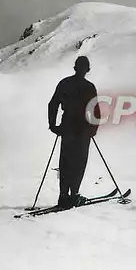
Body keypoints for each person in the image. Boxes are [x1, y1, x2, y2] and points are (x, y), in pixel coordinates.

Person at [48, 56, 101, 208]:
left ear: (75, 68)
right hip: (83, 130)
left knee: (66, 162)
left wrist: (53, 126)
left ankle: (63, 196)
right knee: (79, 162)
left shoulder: (65, 83)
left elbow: (53, 104)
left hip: (68, 127)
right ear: (87, 70)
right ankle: (74, 194)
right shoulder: (89, 86)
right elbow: (95, 110)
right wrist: (93, 129)